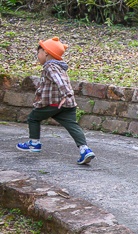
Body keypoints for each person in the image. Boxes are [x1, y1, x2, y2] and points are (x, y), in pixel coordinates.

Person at [16, 37, 95, 165]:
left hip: (52, 103)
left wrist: (66, 94)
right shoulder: (60, 67)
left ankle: (34, 143)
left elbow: (60, 81)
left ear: (46, 53)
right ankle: (85, 150)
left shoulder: (50, 67)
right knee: (72, 125)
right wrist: (68, 96)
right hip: (67, 104)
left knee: (33, 118)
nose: (38, 56)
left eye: (38, 53)